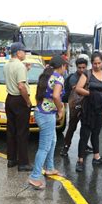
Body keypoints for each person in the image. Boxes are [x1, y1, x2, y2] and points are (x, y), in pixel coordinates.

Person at [28, 55, 67, 189]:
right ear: (62, 66)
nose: (65, 69)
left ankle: (49, 168)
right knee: (44, 147)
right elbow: (56, 96)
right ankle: (34, 177)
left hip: (42, 113)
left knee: (53, 140)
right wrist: (60, 109)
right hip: (47, 116)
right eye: (65, 66)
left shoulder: (46, 75)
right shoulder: (58, 77)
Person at [74, 52, 102, 172]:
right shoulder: (87, 74)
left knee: (96, 133)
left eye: (99, 63)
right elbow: (78, 88)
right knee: (85, 135)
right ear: (92, 63)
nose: (97, 66)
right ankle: (80, 160)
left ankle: (96, 157)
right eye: (95, 63)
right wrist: (91, 93)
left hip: (99, 109)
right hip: (88, 109)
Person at [3, 42, 32, 171]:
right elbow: (21, 86)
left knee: (11, 131)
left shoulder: (7, 64)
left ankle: (12, 159)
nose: (25, 53)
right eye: (24, 51)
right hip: (19, 100)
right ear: (18, 52)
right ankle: (23, 163)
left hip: (9, 98)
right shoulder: (20, 66)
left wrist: (25, 69)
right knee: (22, 132)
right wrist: (28, 101)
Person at [60, 57, 91, 156]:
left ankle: (84, 145)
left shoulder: (88, 75)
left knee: (85, 127)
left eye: (83, 67)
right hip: (75, 106)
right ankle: (65, 147)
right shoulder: (73, 78)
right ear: (76, 67)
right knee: (72, 127)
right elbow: (77, 90)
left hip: (86, 105)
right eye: (79, 68)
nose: (81, 70)